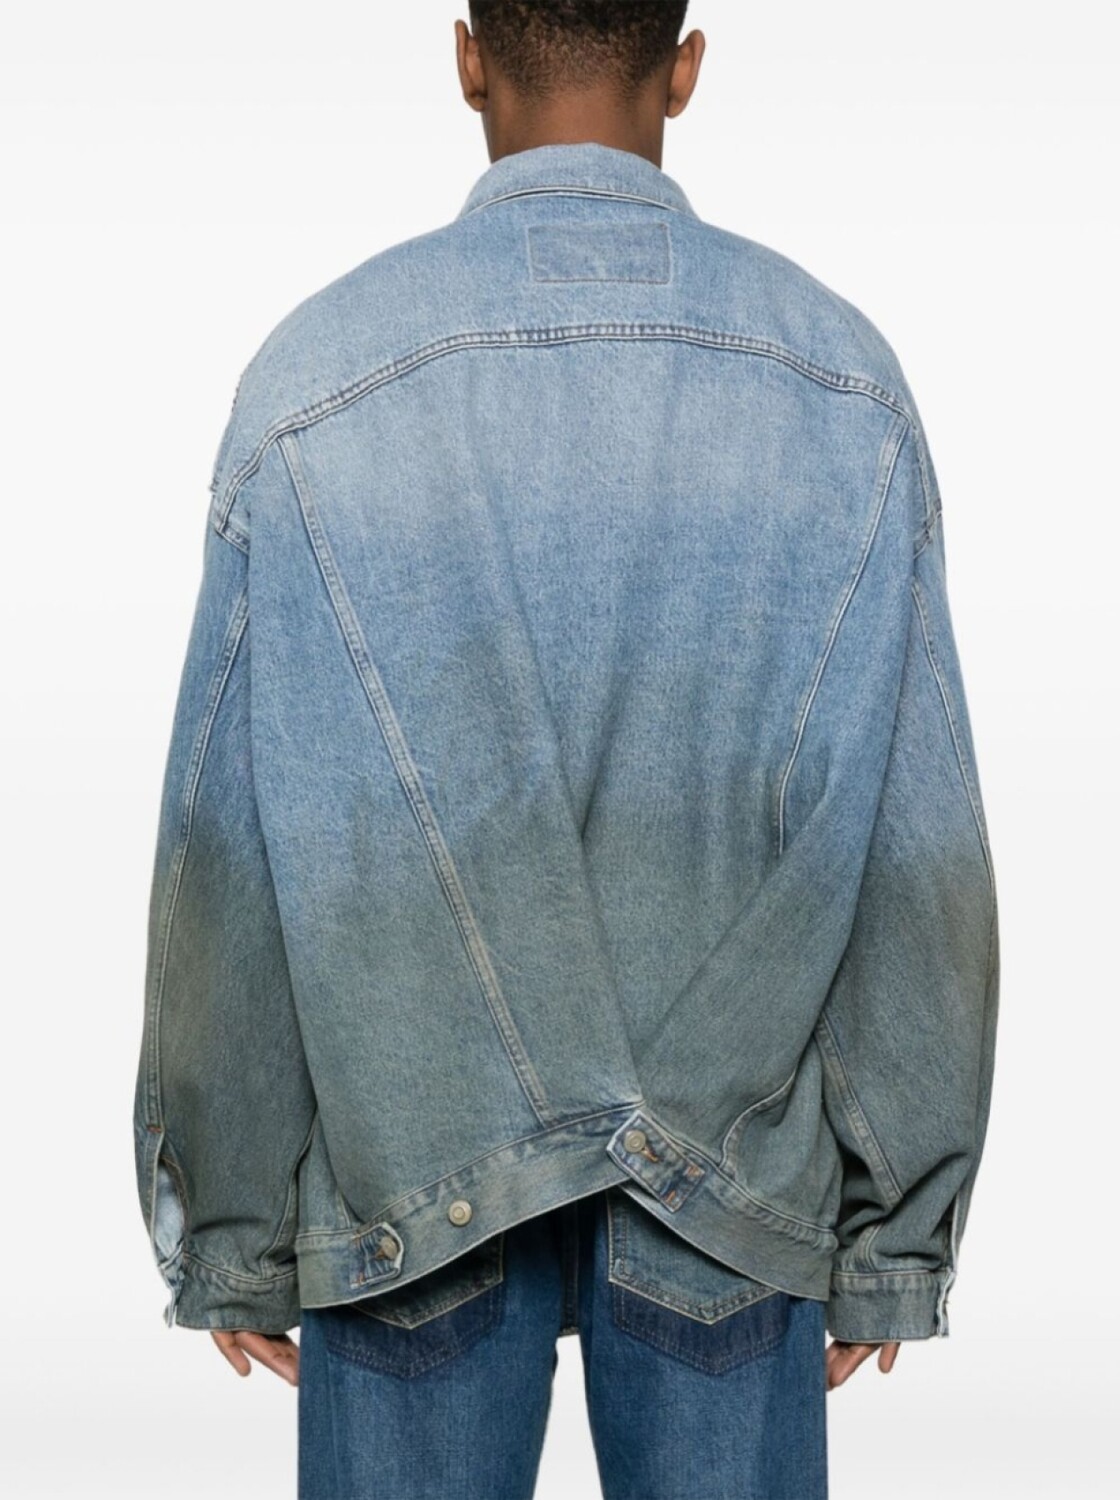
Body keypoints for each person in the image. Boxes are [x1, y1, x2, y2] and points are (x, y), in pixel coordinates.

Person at [132, 4, 1001, 1496]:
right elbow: (914, 841)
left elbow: (231, 835)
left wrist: (232, 1218)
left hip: (411, 1162)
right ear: (685, 66)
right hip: (730, 1168)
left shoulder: (316, 378)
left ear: (469, 58)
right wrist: (895, 1228)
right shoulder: (841, 383)